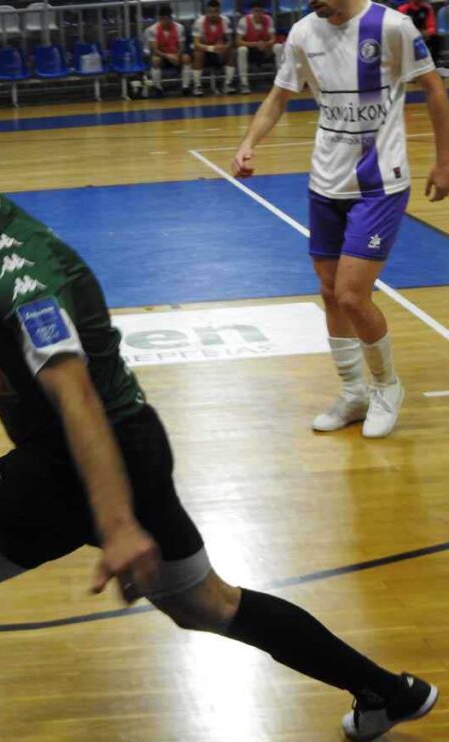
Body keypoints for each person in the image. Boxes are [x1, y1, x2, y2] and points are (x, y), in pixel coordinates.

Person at [0, 104, 438, 742]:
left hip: (101, 456)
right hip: (87, 458)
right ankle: (385, 690)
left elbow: (79, 400)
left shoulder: (27, 282)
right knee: (208, 605)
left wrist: (118, 523)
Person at [232, 0, 449, 437]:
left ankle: (387, 386)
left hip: (379, 185)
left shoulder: (392, 26)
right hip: (324, 183)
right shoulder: (303, 33)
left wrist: (444, 162)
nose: (312, 2)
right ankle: (354, 392)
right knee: (330, 292)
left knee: (352, 295)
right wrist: (249, 141)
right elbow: (279, 96)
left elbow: (435, 90)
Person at [235, 0, 282, 94]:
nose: (258, 13)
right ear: (251, 11)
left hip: (264, 49)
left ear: (263, 11)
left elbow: (273, 39)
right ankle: (244, 84)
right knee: (241, 50)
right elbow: (238, 41)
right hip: (250, 50)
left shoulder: (268, 19)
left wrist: (266, 44)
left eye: (260, 11)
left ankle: (280, 82)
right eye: (256, 11)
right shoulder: (244, 21)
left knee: (278, 47)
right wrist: (254, 44)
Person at [146, 5, 193, 97]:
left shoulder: (180, 28)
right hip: (162, 56)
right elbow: (155, 50)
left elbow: (182, 47)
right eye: (163, 19)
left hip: (176, 55)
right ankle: (158, 88)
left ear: (171, 18)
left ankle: (185, 87)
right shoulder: (152, 30)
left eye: (168, 19)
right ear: (159, 18)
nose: (166, 21)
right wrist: (168, 56)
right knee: (155, 60)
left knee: (186, 58)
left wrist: (176, 56)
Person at [192, 0, 237, 96]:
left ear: (219, 12)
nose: (213, 14)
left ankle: (228, 84)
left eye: (215, 11)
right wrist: (211, 48)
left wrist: (224, 47)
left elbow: (230, 41)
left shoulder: (225, 21)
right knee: (197, 53)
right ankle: (197, 86)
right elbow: (196, 43)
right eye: (210, 12)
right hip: (206, 51)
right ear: (206, 12)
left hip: (221, 51)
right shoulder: (199, 22)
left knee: (232, 51)